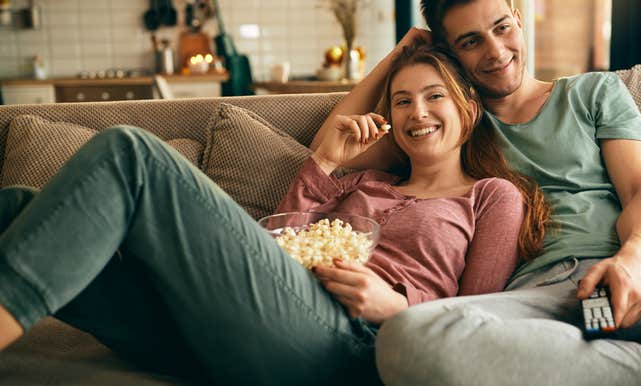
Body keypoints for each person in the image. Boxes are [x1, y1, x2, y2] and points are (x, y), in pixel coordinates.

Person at [0, 45, 549, 385]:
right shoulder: (362, 182)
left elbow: (485, 320)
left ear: (469, 108)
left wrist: (397, 306)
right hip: (246, 328)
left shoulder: (492, 196)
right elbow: (278, 242)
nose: (417, 113)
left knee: (132, 153)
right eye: (402, 101)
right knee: (17, 205)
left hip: (348, 347)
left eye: (435, 97)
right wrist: (327, 160)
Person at [310, 1, 641, 385]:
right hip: (532, 297)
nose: (495, 51)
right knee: (408, 339)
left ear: (517, 13)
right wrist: (401, 58)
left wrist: (631, 262)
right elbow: (333, 148)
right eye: (471, 42)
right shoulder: (451, 122)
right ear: (450, 53)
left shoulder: (594, 92)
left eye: (501, 27)